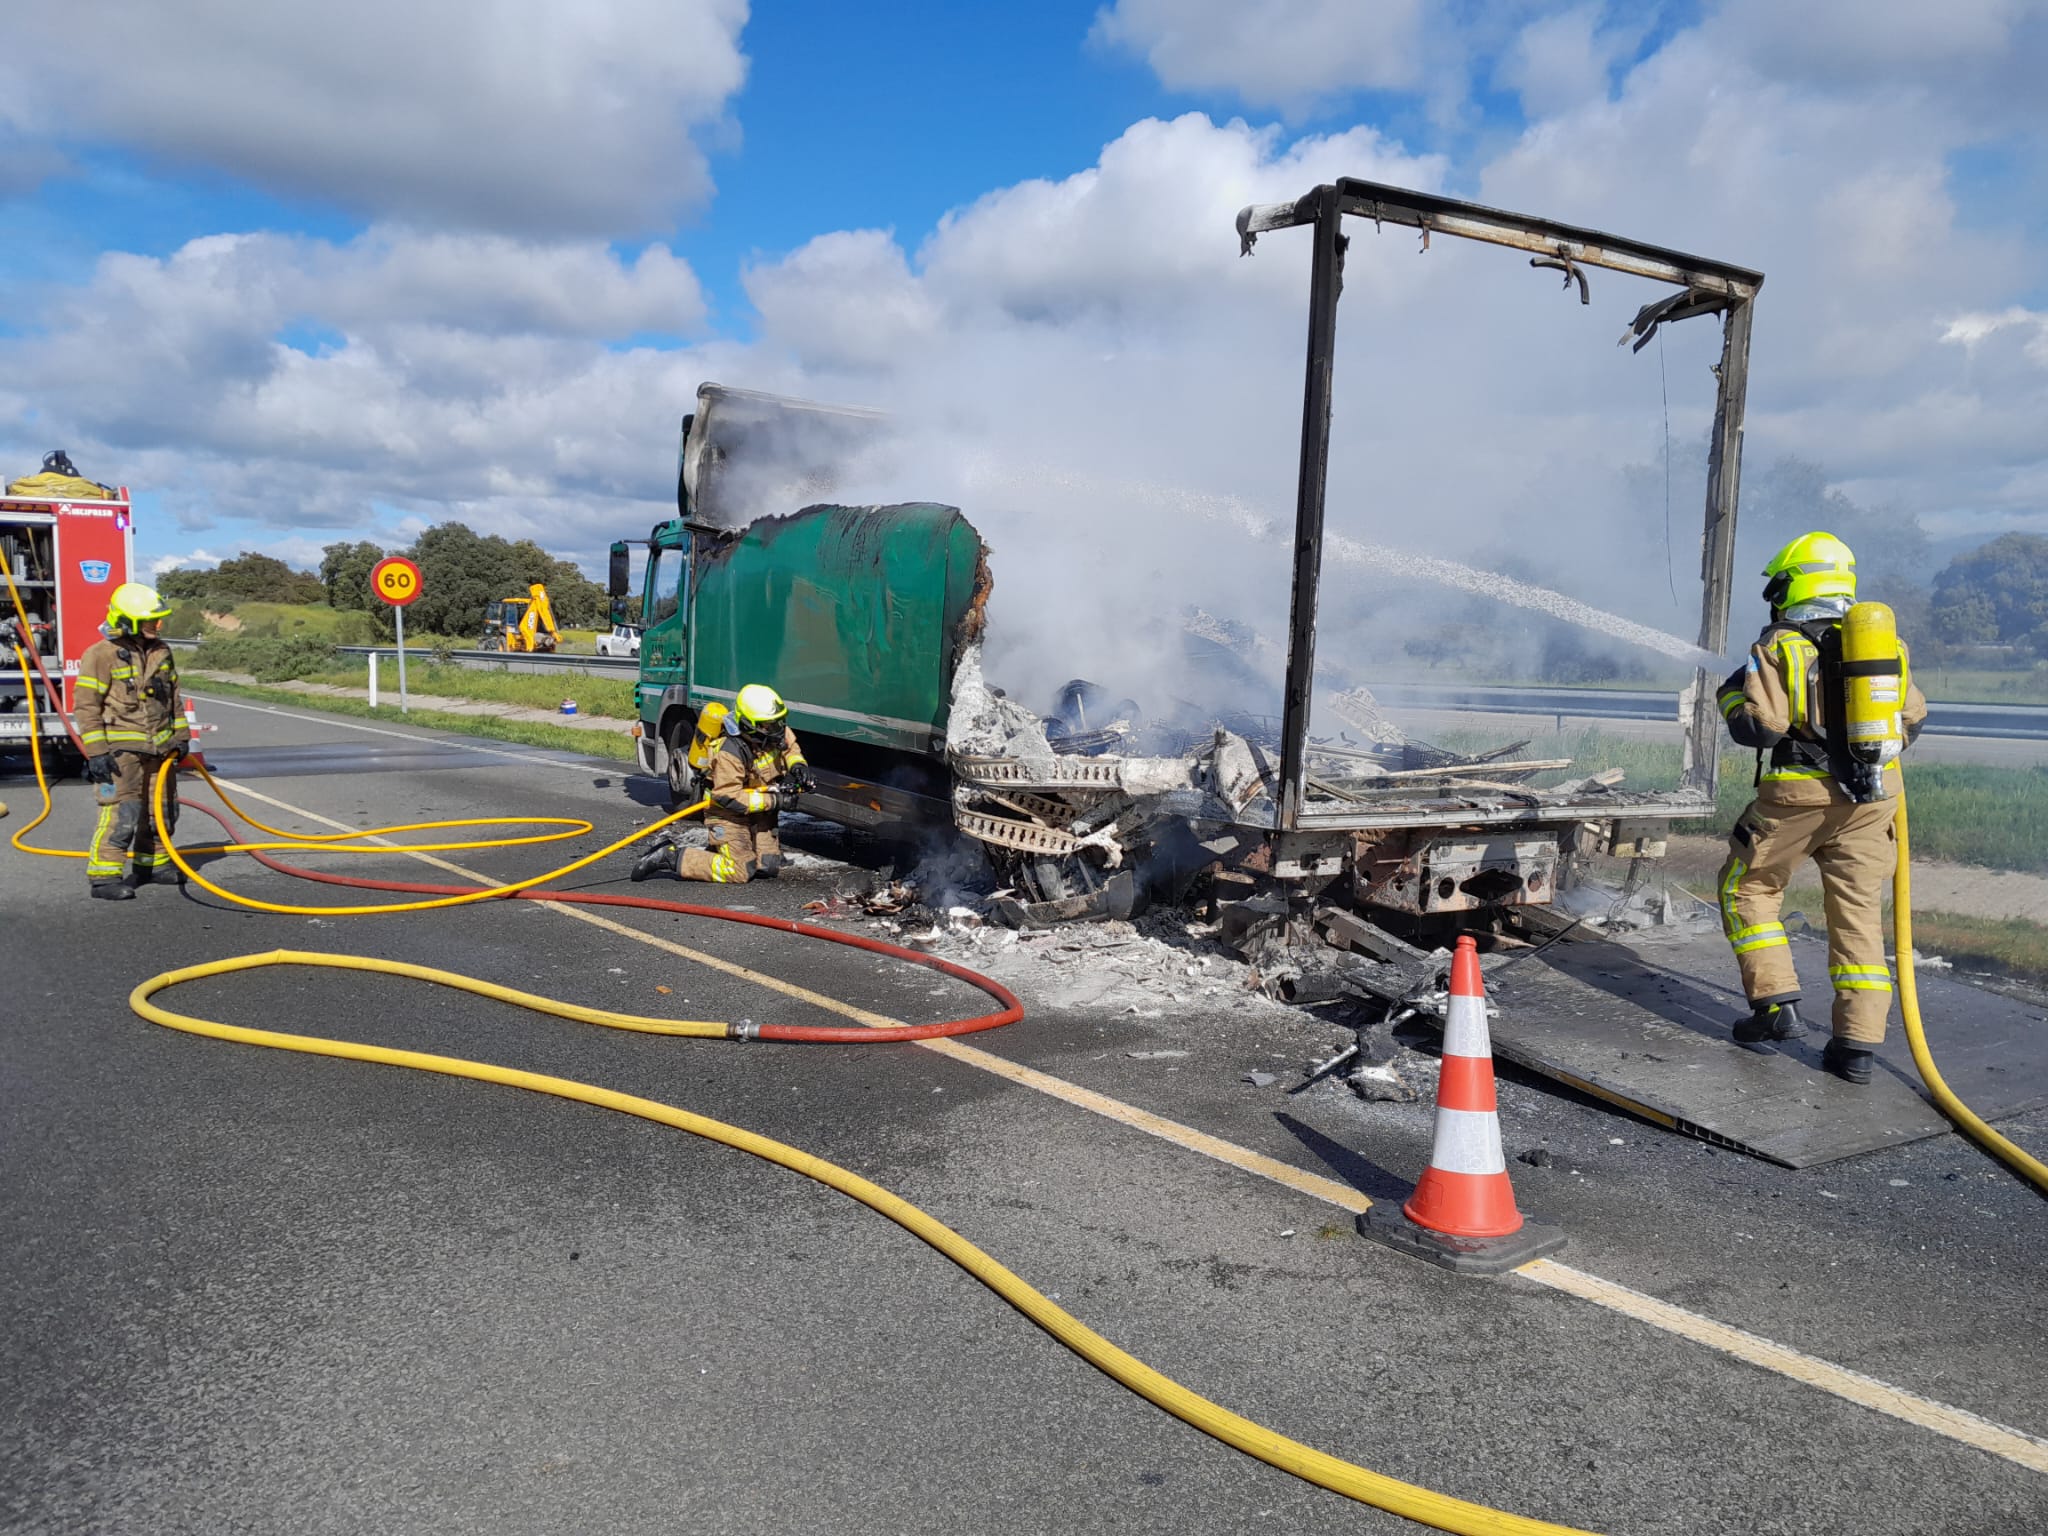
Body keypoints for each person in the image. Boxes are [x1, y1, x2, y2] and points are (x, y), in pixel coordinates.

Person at [1715, 532, 1927, 1084]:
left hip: (1800, 797)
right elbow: (1911, 721)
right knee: (1858, 916)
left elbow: (1760, 729)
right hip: (1874, 799)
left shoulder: (1782, 643)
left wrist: (1733, 694)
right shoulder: (1885, 648)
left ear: (1795, 582)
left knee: (1748, 887)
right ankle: (1856, 1047)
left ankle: (1774, 1006)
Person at [75, 582, 190, 900]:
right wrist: (96, 752)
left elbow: (173, 697)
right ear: (128, 621)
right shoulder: (100, 655)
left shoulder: (161, 651)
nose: (159, 625)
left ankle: (152, 865)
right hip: (119, 752)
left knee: (162, 810)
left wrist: (181, 737)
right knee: (122, 811)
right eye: (152, 619)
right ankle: (104, 876)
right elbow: (86, 705)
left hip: (160, 749)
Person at [632, 683, 814, 884]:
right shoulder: (730, 753)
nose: (778, 730)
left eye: (779, 722)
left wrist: (799, 766)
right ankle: (670, 856)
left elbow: (790, 748)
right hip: (727, 813)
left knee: (767, 867)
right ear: (750, 726)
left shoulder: (771, 729)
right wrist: (776, 800)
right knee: (740, 871)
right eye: (770, 725)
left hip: (758, 810)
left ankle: (721, 849)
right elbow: (728, 796)